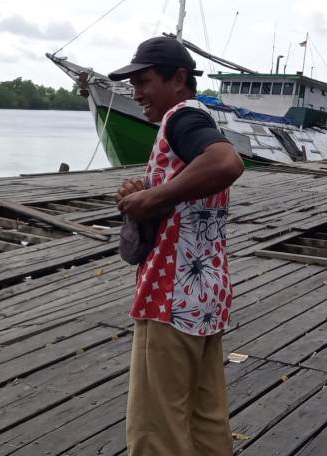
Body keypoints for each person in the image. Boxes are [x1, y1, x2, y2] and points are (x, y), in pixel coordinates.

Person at [110, 36, 244, 456]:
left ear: (179, 78)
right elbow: (192, 195)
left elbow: (226, 163)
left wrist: (152, 198)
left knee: (157, 431)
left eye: (145, 81)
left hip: (169, 297)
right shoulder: (199, 117)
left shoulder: (180, 118)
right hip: (206, 296)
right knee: (206, 423)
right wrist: (147, 192)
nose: (137, 93)